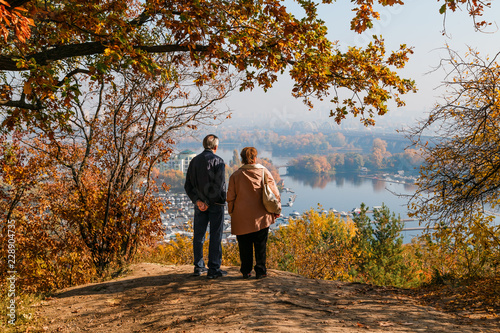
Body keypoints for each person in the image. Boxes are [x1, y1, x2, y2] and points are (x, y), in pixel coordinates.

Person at [227, 147, 281, 279]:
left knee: (244, 246)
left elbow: (230, 197)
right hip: (261, 216)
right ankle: (261, 270)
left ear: (242, 159)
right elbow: (274, 192)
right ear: (255, 158)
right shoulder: (264, 172)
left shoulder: (235, 175)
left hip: (241, 217)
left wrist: (232, 212)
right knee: (260, 245)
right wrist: (276, 209)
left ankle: (246, 271)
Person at [184, 134, 227, 279]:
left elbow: (187, 185)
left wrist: (198, 201)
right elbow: (219, 186)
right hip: (215, 205)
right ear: (215, 147)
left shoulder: (194, 161)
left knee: (199, 235)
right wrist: (208, 202)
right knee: (215, 235)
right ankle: (213, 269)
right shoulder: (219, 162)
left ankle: (199, 267)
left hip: (200, 205)